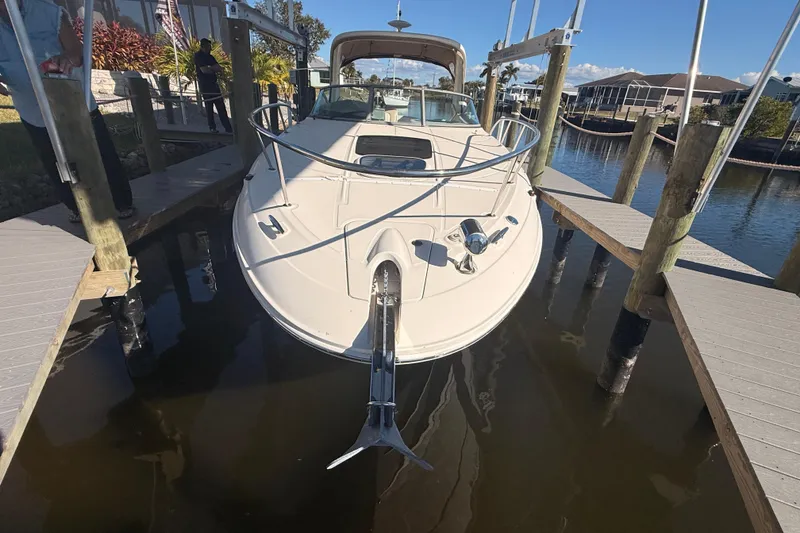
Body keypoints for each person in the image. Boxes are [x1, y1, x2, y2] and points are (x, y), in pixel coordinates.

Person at [0, 0, 135, 222]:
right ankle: (75, 208)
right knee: (53, 160)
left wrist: (66, 59)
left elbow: (76, 52)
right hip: (31, 108)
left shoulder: (48, 11)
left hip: (73, 101)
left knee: (99, 153)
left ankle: (121, 203)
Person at [194, 38, 232, 134]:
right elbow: (204, 70)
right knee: (209, 107)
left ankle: (228, 128)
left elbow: (219, 68)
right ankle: (212, 128)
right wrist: (211, 68)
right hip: (205, 85)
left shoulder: (210, 57)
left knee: (221, 107)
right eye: (208, 47)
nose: (210, 49)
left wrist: (211, 68)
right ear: (203, 47)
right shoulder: (198, 56)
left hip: (213, 84)